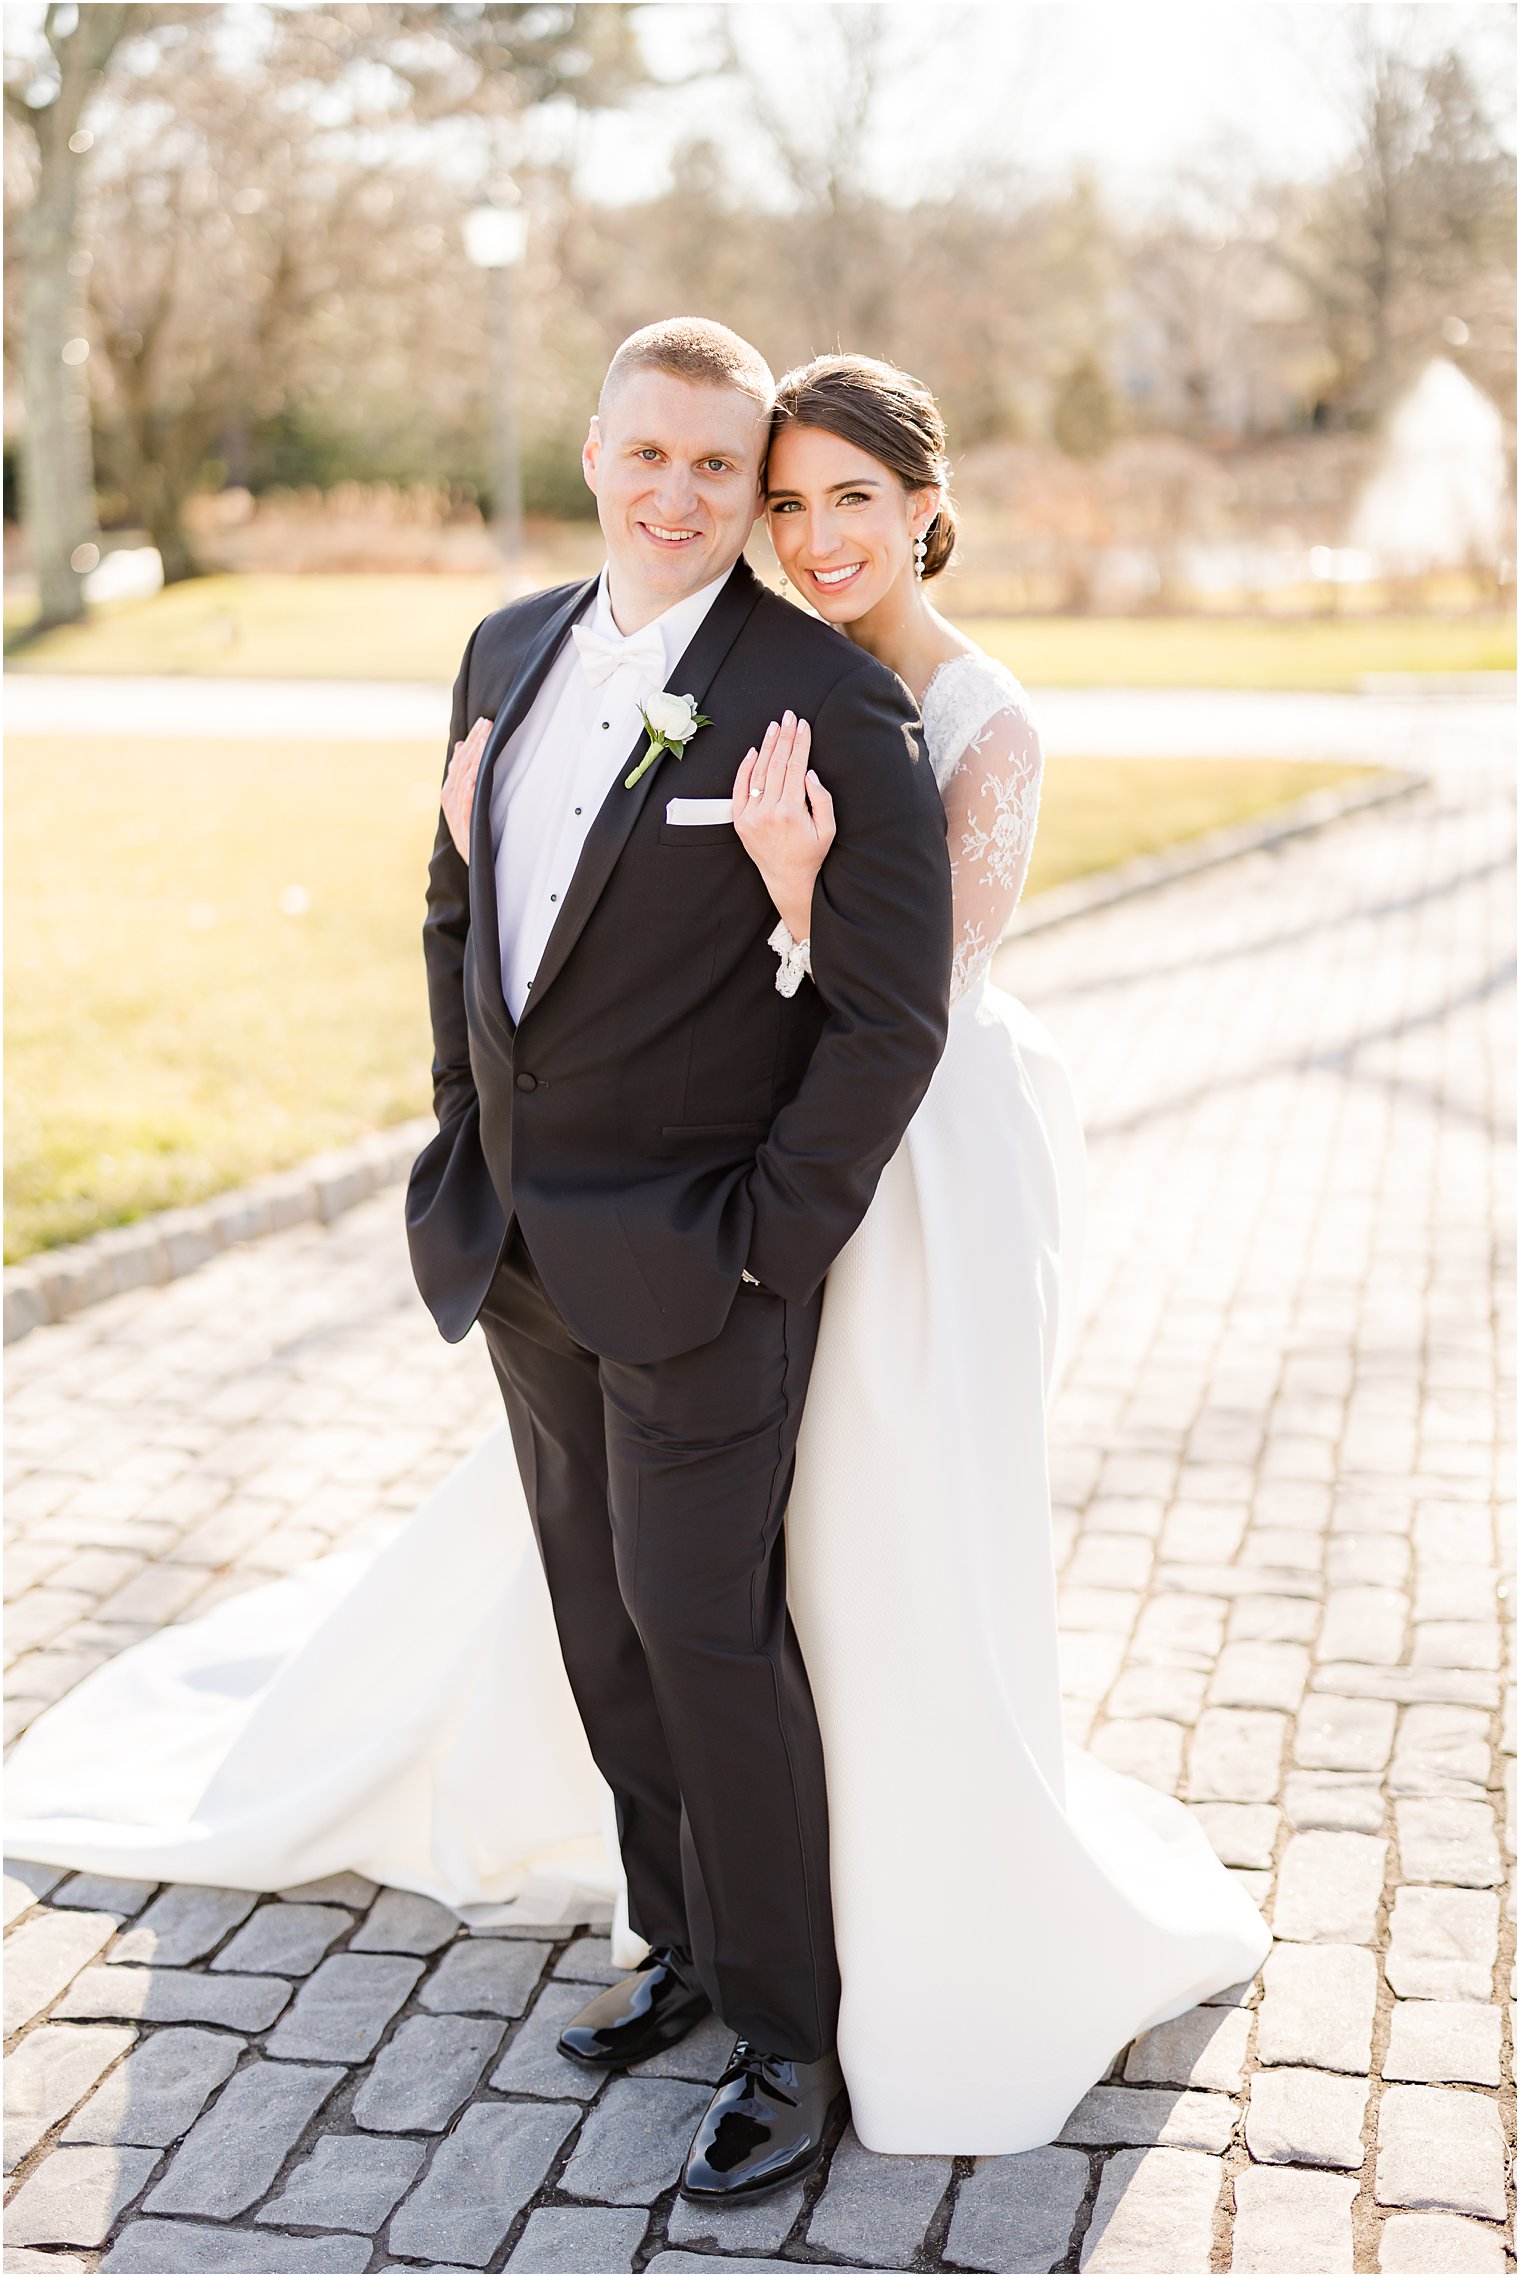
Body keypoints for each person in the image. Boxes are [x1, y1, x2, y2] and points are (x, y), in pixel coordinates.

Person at [3, 336, 1271, 2175]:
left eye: (719, 466)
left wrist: (765, 1248)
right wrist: (463, 1129)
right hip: (519, 1241)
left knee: (710, 1630)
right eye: (655, 456)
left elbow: (893, 1019)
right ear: (595, 451)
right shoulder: (504, 648)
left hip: (708, 1262)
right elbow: (465, 904)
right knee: (600, 1621)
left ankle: (786, 2038)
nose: (682, 496)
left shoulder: (824, 698)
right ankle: (676, 1938)